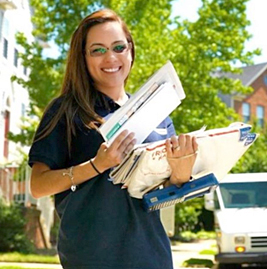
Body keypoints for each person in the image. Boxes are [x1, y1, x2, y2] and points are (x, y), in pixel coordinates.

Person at [28, 8, 198, 269]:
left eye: (119, 47)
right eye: (97, 50)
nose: (111, 57)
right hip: (92, 258)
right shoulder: (65, 111)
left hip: (152, 256)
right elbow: (38, 186)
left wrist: (181, 175)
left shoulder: (158, 112)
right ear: (82, 57)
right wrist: (97, 164)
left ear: (130, 50)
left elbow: (163, 196)